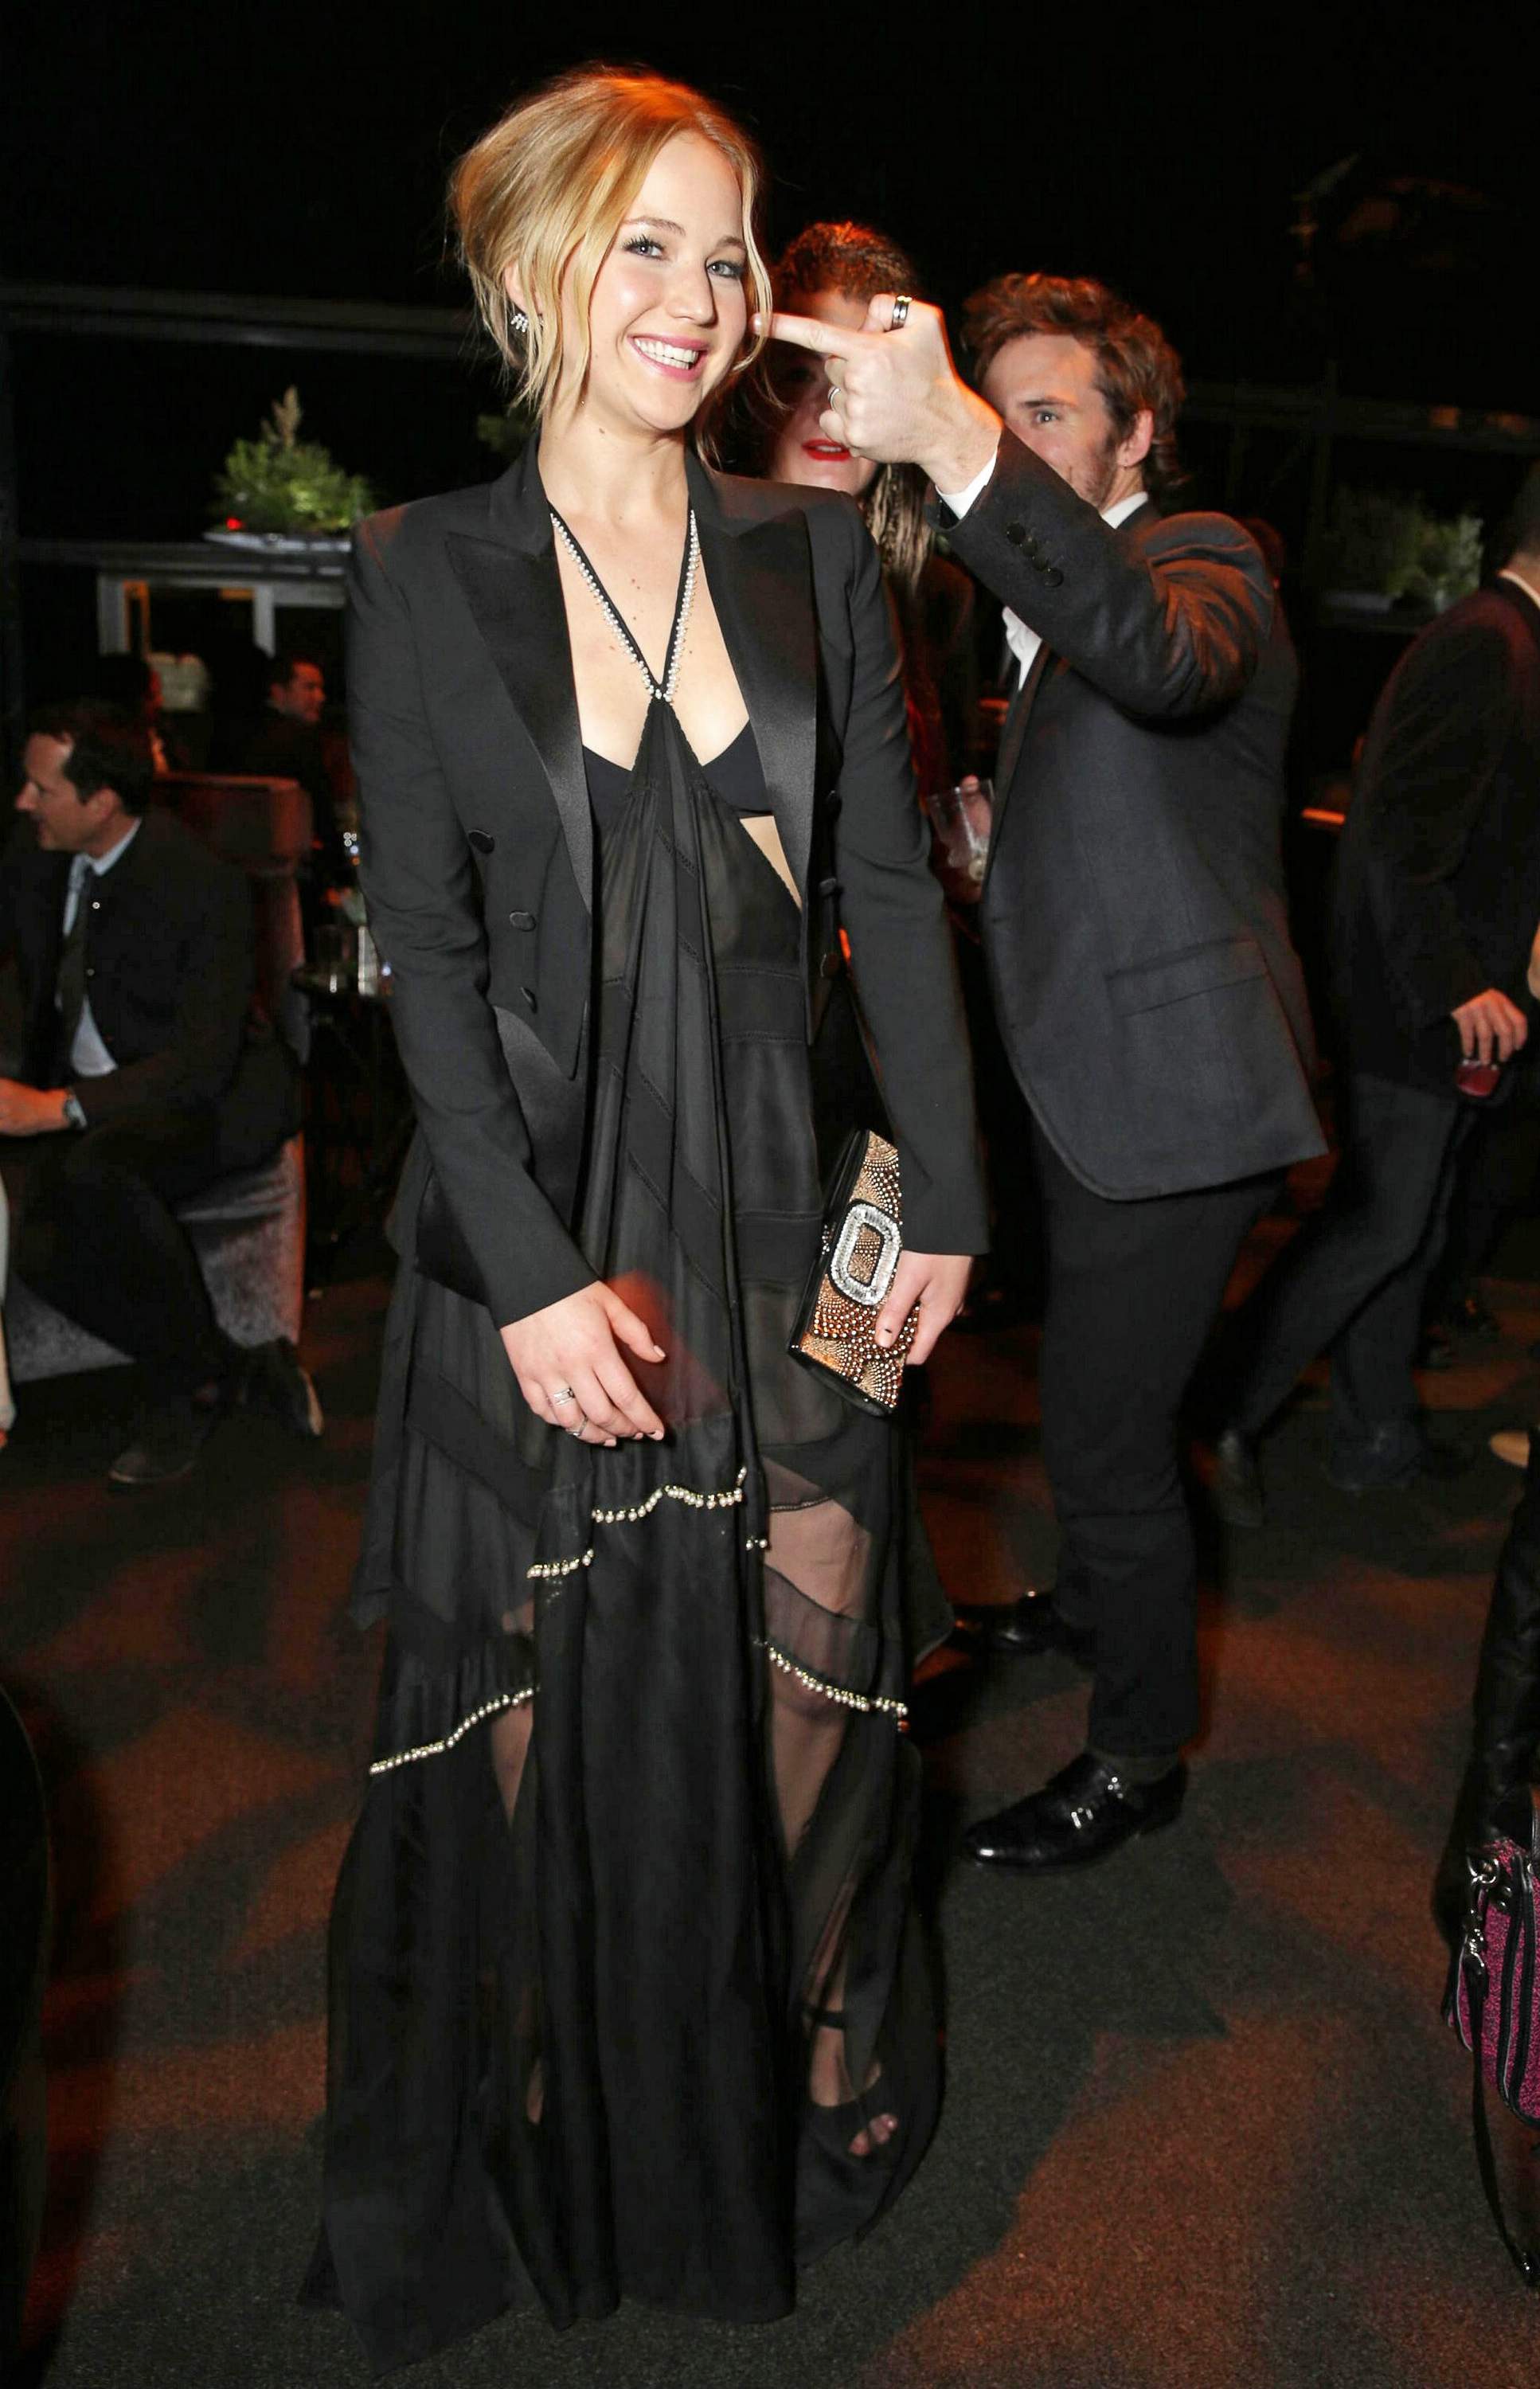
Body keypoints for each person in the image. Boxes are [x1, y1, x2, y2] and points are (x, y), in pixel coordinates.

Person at [303, 68, 985, 2373]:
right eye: (647, 244)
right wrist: (514, 1270)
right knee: (530, 1688)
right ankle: (552, 2115)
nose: (702, 295)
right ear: (534, 271)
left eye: (730, 246)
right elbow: (424, 952)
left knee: (819, 1661)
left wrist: (947, 1195)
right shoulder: (422, 566)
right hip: (546, 1219)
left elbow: (889, 891)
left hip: (808, 1200)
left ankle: (778, 2080)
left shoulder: (809, 551)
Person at [765, 271, 1323, 1873]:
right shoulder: (1036, 612)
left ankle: (1137, 1759)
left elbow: (1165, 662)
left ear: (1135, 434)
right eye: (993, 407)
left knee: (1098, 1434)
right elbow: (1129, 819)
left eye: (1045, 414)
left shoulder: (1202, 556)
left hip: (1177, 1099)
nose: (1011, 436)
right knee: (1093, 1397)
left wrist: (952, 441)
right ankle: (1087, 1605)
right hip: (1090, 1088)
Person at [1213, 474, 1540, 1515]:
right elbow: (1396, 840)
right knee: (1378, 1226)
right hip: (1419, 1006)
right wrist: (1455, 984)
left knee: (1410, 1226)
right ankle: (1217, 1413)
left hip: (1442, 1003)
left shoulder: (1504, 640)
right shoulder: (1486, 643)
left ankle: (1373, 1435)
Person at [0, 701, 320, 1485]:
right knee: (34, 1246)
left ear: (102, 802)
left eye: (42, 789)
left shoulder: (201, 882)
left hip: (210, 1099)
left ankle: (188, 1396)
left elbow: (199, 1064)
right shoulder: (33, 854)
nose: (22, 800)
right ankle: (232, 1369)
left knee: (96, 1174)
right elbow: (22, 989)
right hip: (94, 1098)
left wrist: (58, 1110)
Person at [752, 221, 975, 791]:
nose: (827, 406)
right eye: (797, 374)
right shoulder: (699, 564)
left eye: (851, 376)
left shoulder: (939, 596)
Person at [228, 647, 348, 882]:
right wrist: (342, 862)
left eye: (320, 689)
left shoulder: (242, 734)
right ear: (279, 692)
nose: (320, 697)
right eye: (309, 688)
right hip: (295, 867)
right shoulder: (299, 740)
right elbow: (322, 812)